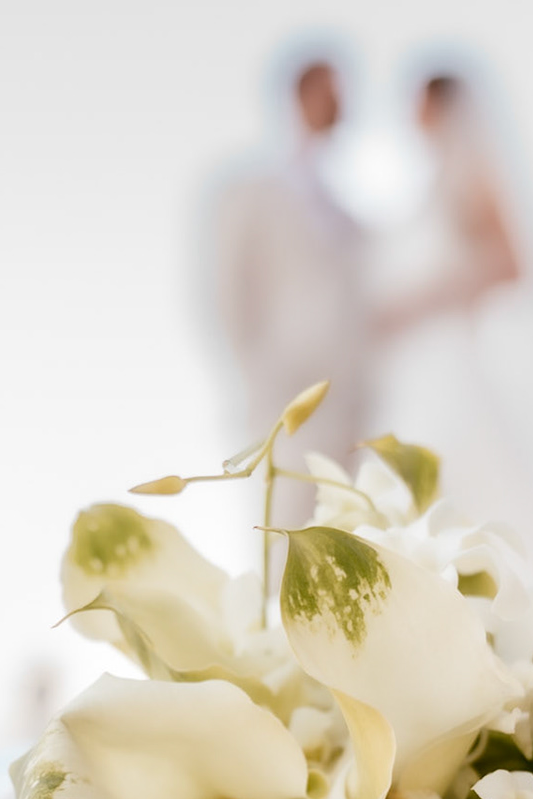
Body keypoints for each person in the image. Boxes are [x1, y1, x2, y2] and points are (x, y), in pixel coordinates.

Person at [368, 71, 533, 647]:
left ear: (439, 104)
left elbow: (509, 262)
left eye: (418, 103)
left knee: (486, 504)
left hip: (456, 368)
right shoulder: (433, 181)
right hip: (422, 377)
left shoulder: (467, 173)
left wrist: (420, 302)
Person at [208, 57, 369, 512]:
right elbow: (230, 293)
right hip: (283, 397)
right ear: (301, 98)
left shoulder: (347, 206)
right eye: (331, 93)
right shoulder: (251, 191)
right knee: (285, 524)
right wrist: (260, 374)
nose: (340, 106)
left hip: (353, 397)